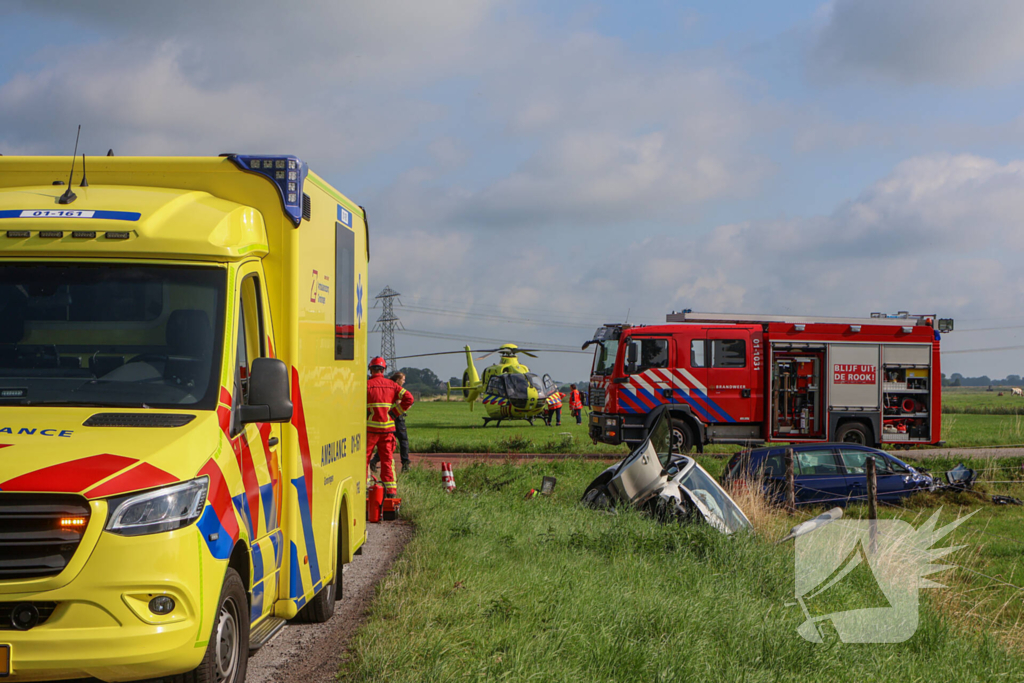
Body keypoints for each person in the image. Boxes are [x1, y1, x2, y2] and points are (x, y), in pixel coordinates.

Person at [365, 357, 414, 499]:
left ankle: (365, 490)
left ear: (371, 369)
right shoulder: (392, 386)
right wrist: (394, 412)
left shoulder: (366, 385)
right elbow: (409, 399)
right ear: (384, 369)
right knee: (387, 460)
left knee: (365, 460)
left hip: (370, 431)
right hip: (387, 431)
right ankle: (390, 492)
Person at [370, 371, 411, 473]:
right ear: (398, 380)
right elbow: (403, 401)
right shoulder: (395, 388)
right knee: (403, 441)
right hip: (395, 418)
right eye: (403, 380)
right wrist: (397, 412)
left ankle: (374, 461)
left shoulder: (387, 387)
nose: (404, 382)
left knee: (387, 443)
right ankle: (405, 464)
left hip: (387, 419)